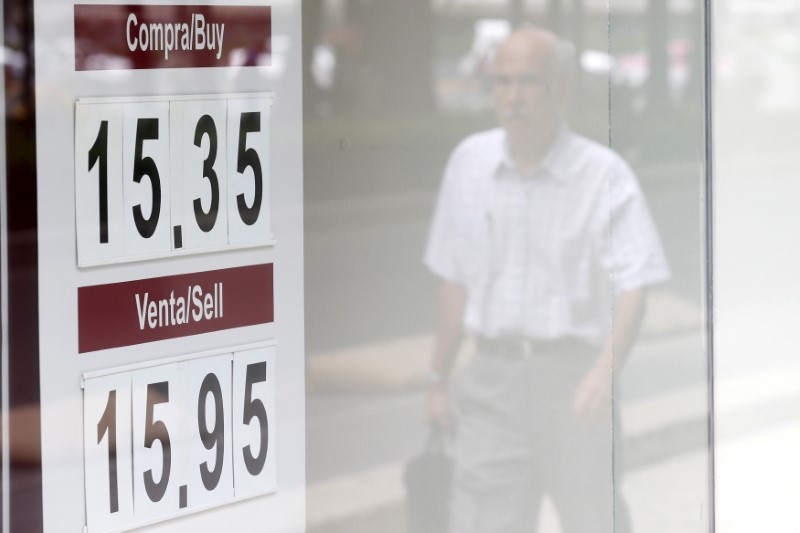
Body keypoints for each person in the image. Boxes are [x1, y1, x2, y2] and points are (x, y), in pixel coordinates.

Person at [423, 27, 670, 533]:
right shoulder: (468, 164)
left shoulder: (604, 175)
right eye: (502, 82)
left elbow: (635, 286)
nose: (512, 97)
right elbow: (454, 282)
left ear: (560, 88)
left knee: (594, 522)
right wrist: (437, 381)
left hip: (574, 385)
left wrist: (605, 372)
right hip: (492, 386)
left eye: (529, 82)